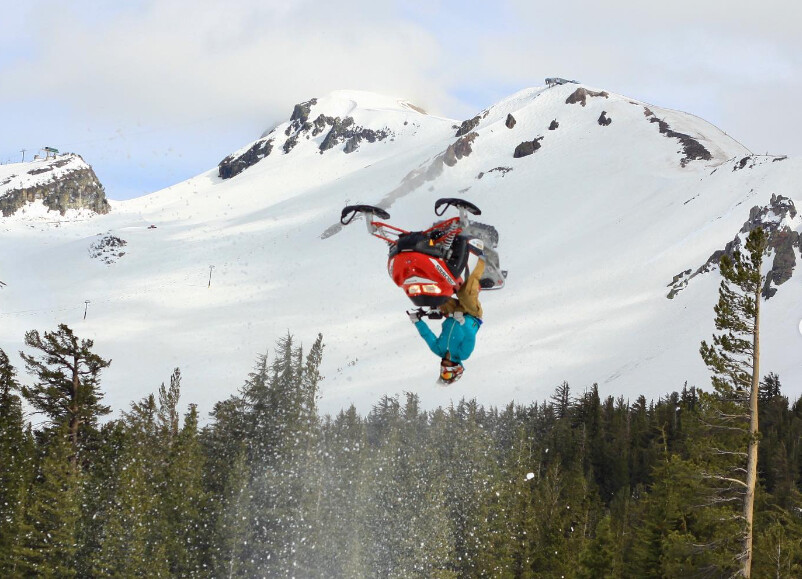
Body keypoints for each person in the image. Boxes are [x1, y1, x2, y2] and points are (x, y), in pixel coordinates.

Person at [409, 245, 485, 384]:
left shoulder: (438, 350)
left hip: (452, 313)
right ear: (456, 369)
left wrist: (417, 321)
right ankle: (481, 259)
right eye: (446, 373)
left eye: (442, 372)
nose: (443, 369)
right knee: (465, 294)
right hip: (471, 315)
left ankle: (439, 261)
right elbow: (470, 338)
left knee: (436, 295)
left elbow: (427, 335)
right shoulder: (463, 354)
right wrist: (462, 322)